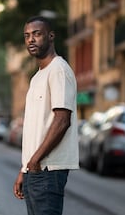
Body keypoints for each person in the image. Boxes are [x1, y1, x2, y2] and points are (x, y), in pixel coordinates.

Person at [13, 16, 79, 215]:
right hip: (36, 169)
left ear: (51, 37)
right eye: (27, 36)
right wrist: (25, 169)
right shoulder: (38, 76)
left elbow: (62, 120)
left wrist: (34, 162)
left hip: (48, 169)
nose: (31, 40)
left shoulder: (58, 70)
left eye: (36, 34)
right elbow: (37, 129)